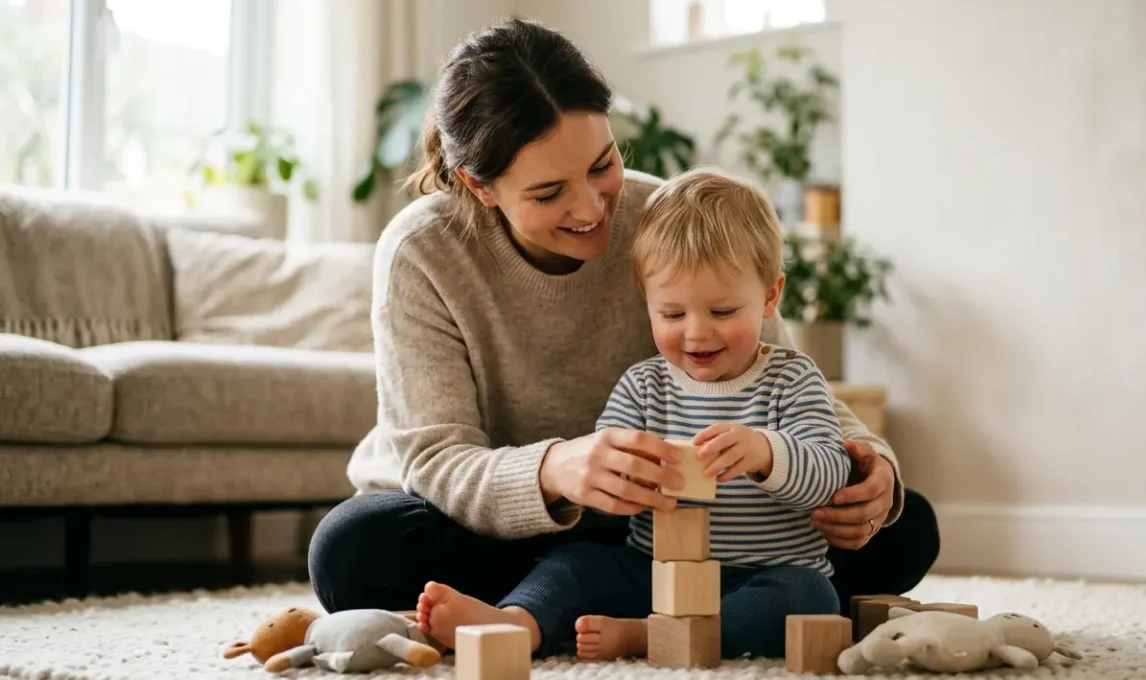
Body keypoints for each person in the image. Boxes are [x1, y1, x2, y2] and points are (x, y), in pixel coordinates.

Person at [307, 14, 939, 644]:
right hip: (501, 519)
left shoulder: (669, 217)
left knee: (907, 529)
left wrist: (870, 470)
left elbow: (780, 373)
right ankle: (571, 609)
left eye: (602, 164)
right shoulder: (424, 252)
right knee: (353, 549)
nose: (589, 208)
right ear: (480, 185)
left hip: (666, 526)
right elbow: (439, 462)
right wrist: (555, 470)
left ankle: (602, 612)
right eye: (550, 191)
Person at [413, 166, 853, 660]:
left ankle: (649, 637)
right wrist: (621, 481)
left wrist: (767, 452)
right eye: (672, 314)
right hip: (653, 569)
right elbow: (601, 498)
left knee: (811, 599)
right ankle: (518, 621)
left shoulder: (792, 379)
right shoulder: (644, 386)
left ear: (771, 295)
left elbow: (830, 474)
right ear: (647, 301)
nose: (697, 333)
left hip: (764, 573)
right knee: (577, 563)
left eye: (723, 312)